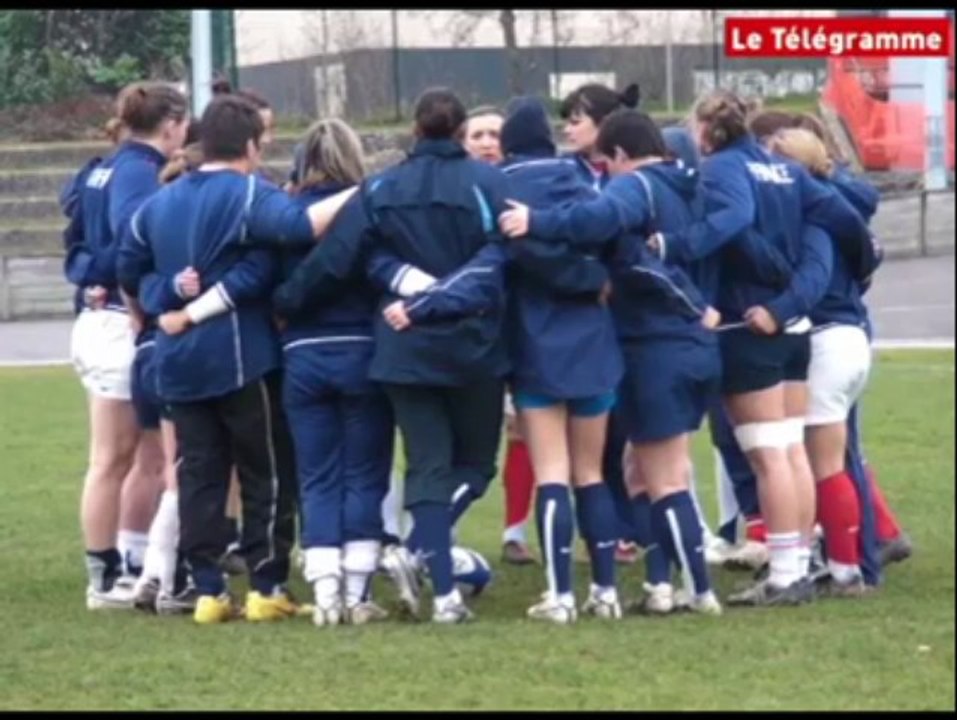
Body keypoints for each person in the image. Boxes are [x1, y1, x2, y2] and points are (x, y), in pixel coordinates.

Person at [269, 87, 512, 624]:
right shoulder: (491, 183)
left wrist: (286, 302)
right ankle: (421, 550)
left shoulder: (382, 188)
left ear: (415, 131)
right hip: (474, 345)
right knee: (474, 465)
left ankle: (444, 594)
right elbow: (504, 259)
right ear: (458, 132)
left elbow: (337, 258)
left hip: (403, 348)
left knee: (425, 465)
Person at [117, 94, 347, 624]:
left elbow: (128, 268)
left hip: (176, 360)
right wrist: (364, 190)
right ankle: (266, 584)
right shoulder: (250, 194)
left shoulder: (158, 203)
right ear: (251, 144)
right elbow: (298, 228)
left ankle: (208, 590)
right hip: (241, 358)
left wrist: (160, 299)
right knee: (263, 468)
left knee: (199, 473)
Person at [648, 90, 872, 606]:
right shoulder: (786, 171)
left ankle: (786, 573)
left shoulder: (722, 169)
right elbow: (844, 217)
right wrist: (857, 269)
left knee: (768, 455)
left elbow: (733, 226)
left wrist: (674, 246)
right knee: (791, 451)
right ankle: (795, 566)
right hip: (794, 328)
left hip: (751, 324)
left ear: (703, 129)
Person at [499, 109, 724, 616]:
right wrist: (702, 305)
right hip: (669, 347)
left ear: (620, 155)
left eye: (607, 160)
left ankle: (573, 595)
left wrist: (535, 224)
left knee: (615, 476)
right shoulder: (692, 186)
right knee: (621, 474)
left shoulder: (629, 190)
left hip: (641, 344)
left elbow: (608, 235)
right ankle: (638, 588)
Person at [495, 96, 624, 623]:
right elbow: (609, 235)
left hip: (535, 341)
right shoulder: (581, 179)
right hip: (593, 339)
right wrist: (594, 280)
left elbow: (508, 256)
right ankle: (607, 590)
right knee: (590, 473)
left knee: (552, 472)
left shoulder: (500, 186)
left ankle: (559, 594)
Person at [63, 81, 189, 610]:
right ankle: (107, 575)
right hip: (119, 321)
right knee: (123, 457)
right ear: (170, 124)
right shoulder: (139, 170)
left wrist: (85, 273)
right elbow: (134, 240)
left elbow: (74, 237)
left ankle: (126, 565)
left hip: (94, 320)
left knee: (136, 456)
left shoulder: (98, 166)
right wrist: (128, 287)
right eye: (184, 123)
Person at [267, 118, 396, 626]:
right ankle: (358, 590)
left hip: (302, 353)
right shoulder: (373, 210)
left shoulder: (285, 214)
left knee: (316, 476)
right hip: (363, 350)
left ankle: (323, 594)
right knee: (365, 473)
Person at [767, 127, 884, 596]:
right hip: (852, 335)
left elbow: (814, 277)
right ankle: (846, 565)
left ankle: (836, 565)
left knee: (817, 464)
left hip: (828, 337)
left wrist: (778, 310)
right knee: (832, 462)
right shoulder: (842, 206)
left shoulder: (812, 216)